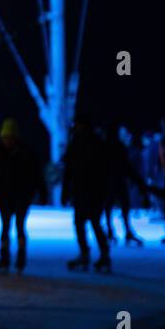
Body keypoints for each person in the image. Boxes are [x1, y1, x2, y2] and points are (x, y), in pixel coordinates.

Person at [0, 118, 48, 273]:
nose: (7, 141)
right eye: (5, 138)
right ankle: (5, 258)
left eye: (9, 138)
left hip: (21, 197)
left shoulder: (24, 153)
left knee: (19, 226)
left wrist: (42, 193)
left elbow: (36, 175)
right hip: (4, 197)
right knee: (6, 226)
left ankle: (19, 258)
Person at [62, 116, 112, 273]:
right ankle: (88, 253)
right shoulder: (77, 144)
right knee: (82, 223)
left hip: (93, 191)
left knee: (94, 223)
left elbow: (104, 170)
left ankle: (100, 254)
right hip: (83, 191)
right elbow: (69, 170)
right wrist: (66, 190)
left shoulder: (94, 144)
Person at [103, 123, 145, 247]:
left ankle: (113, 230)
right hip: (116, 180)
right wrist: (137, 180)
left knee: (111, 206)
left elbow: (125, 165)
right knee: (119, 205)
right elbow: (126, 166)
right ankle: (121, 230)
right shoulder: (117, 146)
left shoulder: (107, 146)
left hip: (111, 181)